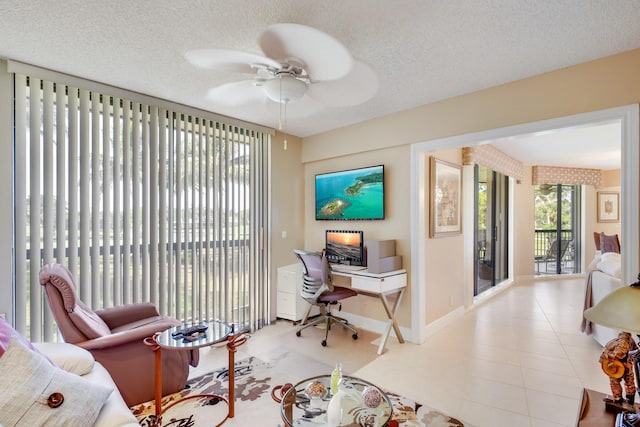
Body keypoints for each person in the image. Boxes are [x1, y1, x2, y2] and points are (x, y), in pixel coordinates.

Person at [600, 331, 638, 405]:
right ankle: (621, 400)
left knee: (623, 382)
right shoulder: (625, 341)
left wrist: (607, 352)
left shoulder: (624, 341)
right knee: (620, 382)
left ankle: (627, 400)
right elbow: (634, 351)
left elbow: (620, 354)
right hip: (616, 366)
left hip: (622, 365)